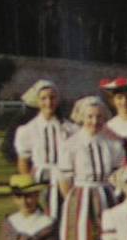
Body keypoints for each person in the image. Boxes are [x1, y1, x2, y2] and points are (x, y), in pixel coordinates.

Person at [57, 96, 126, 240]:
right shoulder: (71, 144)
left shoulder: (112, 143)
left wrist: (114, 192)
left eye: (98, 117)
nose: (94, 121)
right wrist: (74, 202)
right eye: (89, 116)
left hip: (106, 196)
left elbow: (119, 172)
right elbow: (65, 179)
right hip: (81, 198)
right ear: (81, 117)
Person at [13, 79, 79, 218]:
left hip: (65, 179)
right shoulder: (28, 129)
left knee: (65, 215)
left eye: (52, 97)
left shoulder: (70, 128)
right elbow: (23, 161)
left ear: (57, 99)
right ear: (38, 101)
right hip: (40, 179)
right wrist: (28, 186)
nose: (48, 102)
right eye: (44, 98)